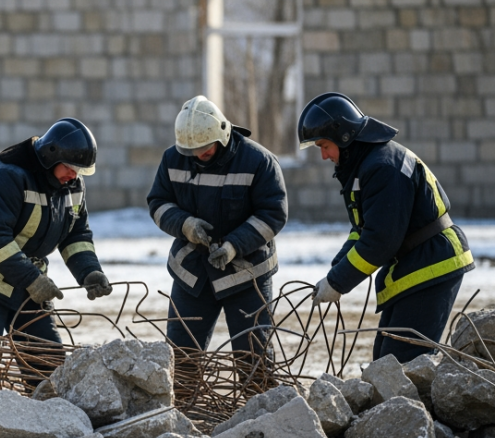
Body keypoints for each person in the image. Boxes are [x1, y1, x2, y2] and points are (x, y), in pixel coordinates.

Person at [298, 92, 474, 362]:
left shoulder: (382, 167)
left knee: (401, 361)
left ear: (344, 137)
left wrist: (337, 282)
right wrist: (337, 269)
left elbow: (379, 241)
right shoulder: (365, 165)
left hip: (431, 264)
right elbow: (362, 230)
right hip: (416, 263)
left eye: (325, 146)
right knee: (385, 359)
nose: (323, 156)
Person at [0, 118, 112, 396]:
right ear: (50, 156)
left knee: (47, 360)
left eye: (80, 170)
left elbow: (76, 235)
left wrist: (89, 272)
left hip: (26, 279)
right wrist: (32, 279)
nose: (74, 175)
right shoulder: (6, 176)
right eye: (70, 168)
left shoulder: (72, 186)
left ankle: (44, 415)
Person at [147, 96, 287, 372]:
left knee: (253, 363)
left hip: (246, 275)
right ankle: (183, 400)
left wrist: (234, 245)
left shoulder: (259, 161)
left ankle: (257, 400)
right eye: (191, 151)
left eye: (205, 149)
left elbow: (273, 214)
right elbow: (158, 203)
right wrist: (185, 225)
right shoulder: (173, 159)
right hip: (193, 273)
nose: (198, 155)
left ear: (221, 135)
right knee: (181, 362)